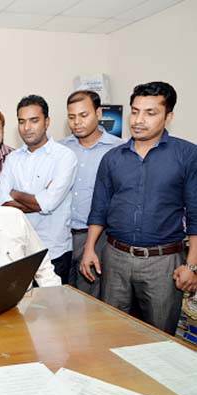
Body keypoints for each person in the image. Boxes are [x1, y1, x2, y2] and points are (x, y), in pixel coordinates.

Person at [81, 82, 197, 334]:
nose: (139, 120)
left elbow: (196, 213)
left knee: (159, 338)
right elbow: (99, 207)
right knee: (111, 331)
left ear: (169, 117)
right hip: (116, 258)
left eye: (150, 113)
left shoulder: (187, 155)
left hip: (163, 262)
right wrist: (90, 248)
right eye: (135, 111)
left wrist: (192, 265)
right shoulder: (112, 158)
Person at [0, 95, 77, 285]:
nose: (27, 127)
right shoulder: (12, 158)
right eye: (22, 121)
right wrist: (39, 200)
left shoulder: (65, 157)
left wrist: (14, 193)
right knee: (20, 311)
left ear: (47, 122)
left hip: (54, 250)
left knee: (54, 311)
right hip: (18, 251)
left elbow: (48, 203)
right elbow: (1, 204)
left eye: (34, 120)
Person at [60, 90, 124, 298]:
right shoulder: (60, 149)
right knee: (60, 299)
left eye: (83, 115)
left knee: (90, 302)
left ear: (98, 113)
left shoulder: (118, 150)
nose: (77, 122)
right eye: (71, 117)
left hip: (98, 238)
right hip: (62, 236)